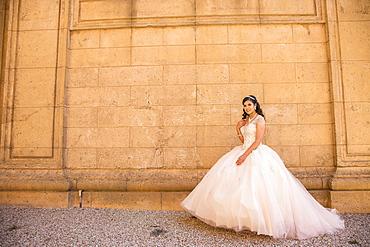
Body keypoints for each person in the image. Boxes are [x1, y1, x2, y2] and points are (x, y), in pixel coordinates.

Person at [181, 95, 344, 239]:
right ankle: (247, 221)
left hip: (255, 154)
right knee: (236, 188)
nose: (247, 108)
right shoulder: (247, 121)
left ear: (255, 105)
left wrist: (245, 155)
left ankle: (267, 223)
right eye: (245, 105)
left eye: (249, 105)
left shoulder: (260, 120)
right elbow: (244, 141)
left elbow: (257, 141)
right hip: (244, 150)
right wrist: (238, 128)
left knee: (259, 188)